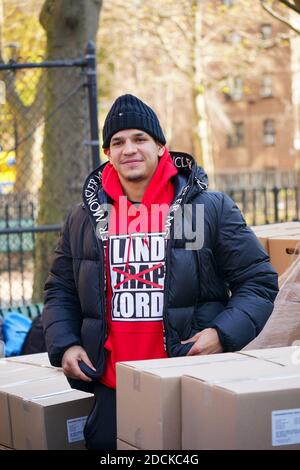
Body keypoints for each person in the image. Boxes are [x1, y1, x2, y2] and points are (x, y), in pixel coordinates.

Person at [43, 94, 278, 450]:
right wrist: (65, 345)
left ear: (160, 146)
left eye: (139, 138)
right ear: (108, 153)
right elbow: (60, 290)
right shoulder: (85, 217)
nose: (129, 149)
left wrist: (221, 334)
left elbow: (258, 282)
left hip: (190, 379)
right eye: (118, 142)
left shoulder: (209, 209)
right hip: (112, 386)